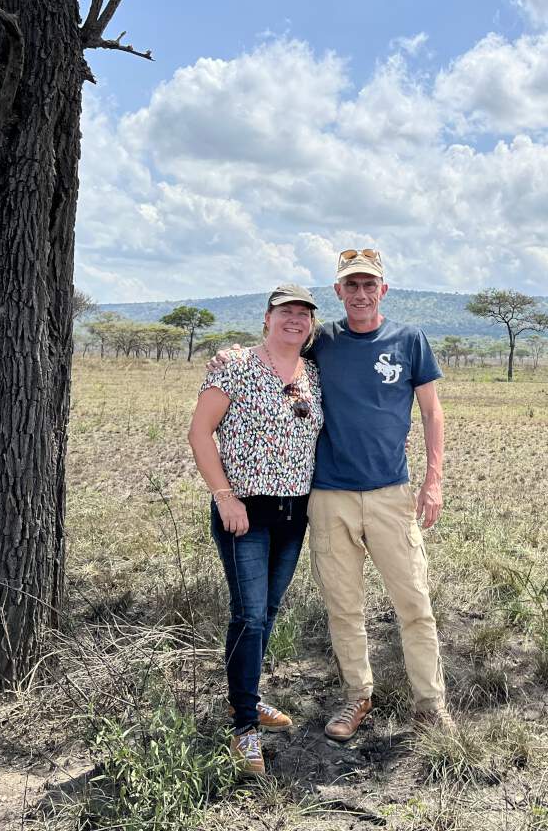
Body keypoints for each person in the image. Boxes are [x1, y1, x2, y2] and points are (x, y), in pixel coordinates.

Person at [212, 248, 449, 741]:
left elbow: (431, 412)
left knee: (414, 603)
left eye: (369, 285)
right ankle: (356, 696)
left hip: (390, 493)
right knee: (344, 605)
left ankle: (430, 704)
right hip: (327, 496)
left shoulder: (409, 341)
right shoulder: (325, 342)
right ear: (338, 292)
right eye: (351, 285)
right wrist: (230, 353)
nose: (361, 293)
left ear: (383, 290)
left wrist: (434, 480)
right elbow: (278, 348)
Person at [188, 284, 324, 776]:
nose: (295, 319)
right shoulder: (235, 364)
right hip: (243, 511)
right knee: (249, 615)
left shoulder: (312, 373)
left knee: (265, 612)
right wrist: (225, 496)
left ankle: (242, 698)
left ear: (311, 324)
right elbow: (199, 432)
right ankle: (244, 728)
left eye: (304, 313)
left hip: (294, 515)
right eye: (286, 311)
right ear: (267, 317)